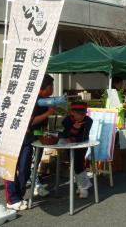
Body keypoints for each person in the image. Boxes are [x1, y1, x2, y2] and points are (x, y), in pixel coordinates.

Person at [5, 74, 57, 211]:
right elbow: (30, 121)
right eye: (52, 86)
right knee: (10, 168)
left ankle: (19, 196)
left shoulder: (44, 100)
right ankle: (12, 199)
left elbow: (38, 128)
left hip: (29, 138)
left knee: (24, 169)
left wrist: (43, 134)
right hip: (12, 137)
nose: (53, 89)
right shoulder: (29, 99)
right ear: (47, 87)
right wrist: (48, 113)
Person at [59, 101, 93, 198]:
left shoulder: (88, 121)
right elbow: (64, 134)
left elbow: (83, 137)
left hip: (81, 145)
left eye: (84, 113)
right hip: (69, 146)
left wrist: (73, 132)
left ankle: (83, 188)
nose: (82, 116)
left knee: (79, 163)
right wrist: (73, 129)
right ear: (72, 112)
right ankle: (82, 185)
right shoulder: (66, 121)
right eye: (79, 113)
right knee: (74, 164)